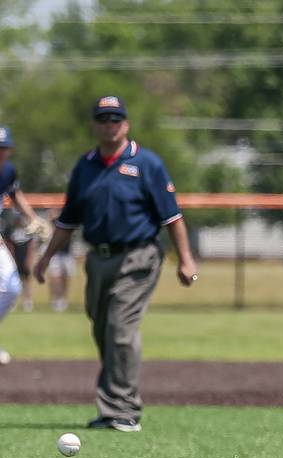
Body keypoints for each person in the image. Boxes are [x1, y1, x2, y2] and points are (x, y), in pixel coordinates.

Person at [34, 96, 198, 432]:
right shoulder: (85, 166)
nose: (110, 125)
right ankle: (113, 408)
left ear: (126, 124)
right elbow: (68, 220)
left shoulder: (147, 164)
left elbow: (173, 217)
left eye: (116, 119)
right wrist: (46, 258)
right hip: (98, 259)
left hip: (138, 255)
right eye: (103, 119)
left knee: (120, 328)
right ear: (94, 125)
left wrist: (186, 259)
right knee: (101, 328)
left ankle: (124, 410)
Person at [0, 125, 49, 363]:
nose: (1, 153)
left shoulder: (7, 171)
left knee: (12, 288)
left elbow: (15, 194)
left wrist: (33, 218)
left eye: (4, 148)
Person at [45, 209, 75, 312]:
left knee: (66, 278)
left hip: (67, 253)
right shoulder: (53, 223)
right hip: (55, 254)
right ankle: (56, 300)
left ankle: (63, 300)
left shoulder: (68, 220)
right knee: (55, 278)